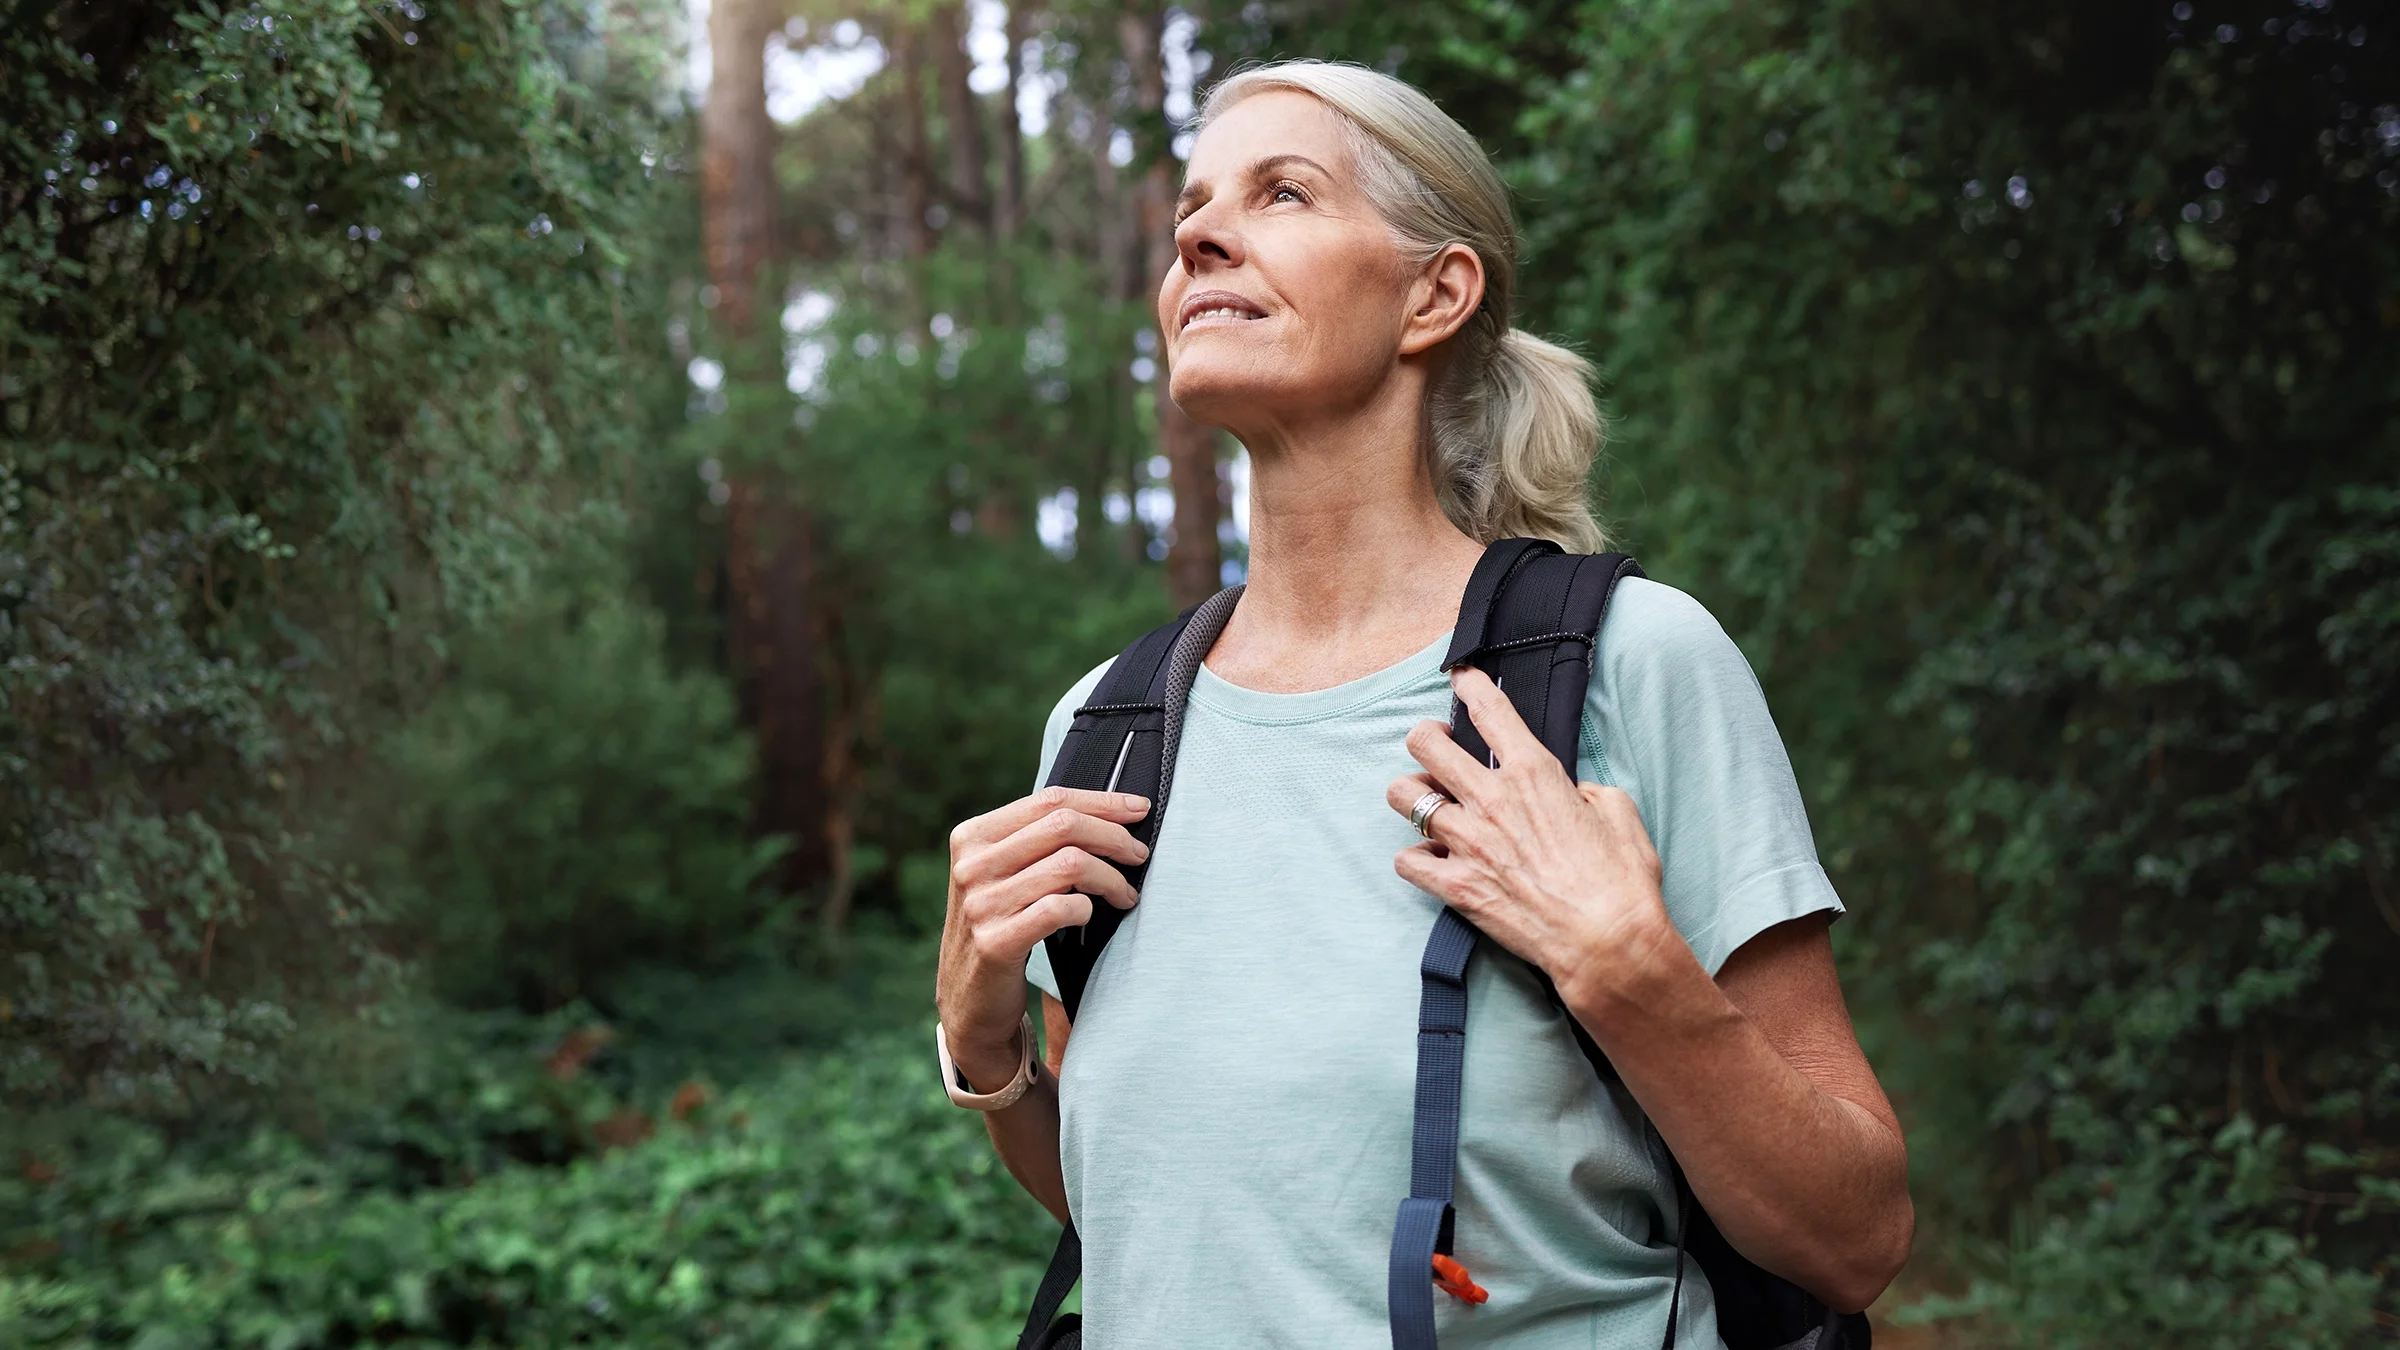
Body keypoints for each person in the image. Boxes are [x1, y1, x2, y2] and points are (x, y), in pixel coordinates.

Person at [933, 60, 1913, 1347]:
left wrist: (1630, 975)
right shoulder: (1114, 727)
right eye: (1192, 209)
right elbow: (1172, 1214)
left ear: (1434, 294)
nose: (1195, 234)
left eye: (1281, 192)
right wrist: (988, 1053)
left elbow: (1855, 1241)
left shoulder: (1626, 664)